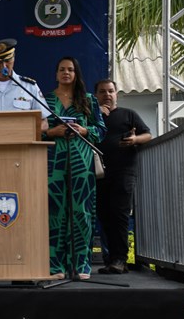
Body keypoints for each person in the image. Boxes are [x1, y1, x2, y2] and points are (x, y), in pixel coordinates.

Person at [42, 57, 106, 280]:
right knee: (54, 212)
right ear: (56, 74)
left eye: (70, 69)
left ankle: (81, 266)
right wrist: (52, 132)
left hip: (82, 163)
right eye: (62, 69)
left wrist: (85, 130)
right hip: (53, 163)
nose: (66, 73)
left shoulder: (88, 100)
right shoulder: (45, 100)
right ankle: (55, 266)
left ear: (76, 74)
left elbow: (101, 130)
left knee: (81, 212)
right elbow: (34, 131)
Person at [94, 79, 152, 274]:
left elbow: (148, 135)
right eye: (102, 92)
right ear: (96, 96)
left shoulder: (129, 114)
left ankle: (120, 259)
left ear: (116, 93)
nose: (107, 95)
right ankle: (112, 260)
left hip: (124, 172)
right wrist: (96, 115)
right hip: (99, 173)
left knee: (119, 215)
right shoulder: (93, 117)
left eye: (110, 91)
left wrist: (135, 139)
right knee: (104, 215)